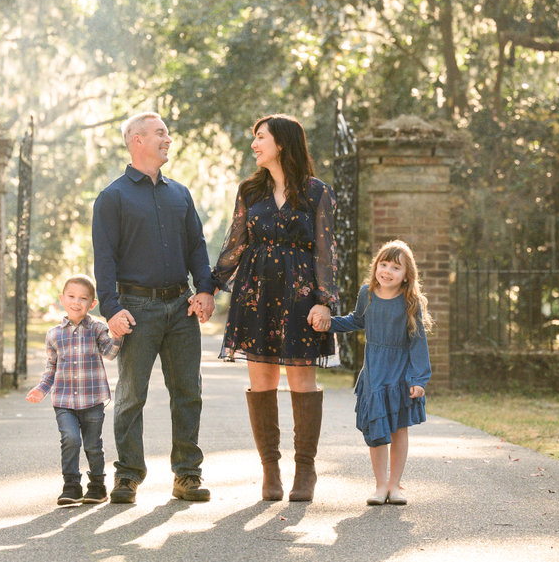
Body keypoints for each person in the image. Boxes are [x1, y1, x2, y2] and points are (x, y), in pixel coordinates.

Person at [213, 113, 339, 502]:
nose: (254, 144)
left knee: (302, 382)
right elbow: (235, 244)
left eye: (260, 137)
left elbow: (326, 253)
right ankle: (270, 471)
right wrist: (210, 286)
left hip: (301, 296)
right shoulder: (250, 191)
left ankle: (306, 470)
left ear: (282, 143)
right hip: (256, 294)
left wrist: (326, 302)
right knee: (262, 382)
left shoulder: (317, 192)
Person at [92, 112, 216, 504]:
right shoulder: (112, 197)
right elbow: (104, 259)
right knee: (131, 395)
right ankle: (127, 476)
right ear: (136, 140)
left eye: (167, 133)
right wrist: (111, 309)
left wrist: (206, 289)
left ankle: (187, 477)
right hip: (135, 309)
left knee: (188, 393)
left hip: (181, 307)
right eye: (160, 133)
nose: (168, 139)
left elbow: (197, 246)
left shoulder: (180, 193)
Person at [312, 239, 431, 505]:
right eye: (383, 264)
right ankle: (379, 486)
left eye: (395, 268)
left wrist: (419, 379)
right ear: (376, 265)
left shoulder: (409, 302)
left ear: (406, 276)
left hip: (400, 375)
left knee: (399, 430)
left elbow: (417, 341)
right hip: (375, 373)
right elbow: (355, 320)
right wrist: (329, 323)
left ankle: (395, 486)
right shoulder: (367, 294)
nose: (387, 271)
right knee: (376, 430)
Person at [26, 274, 122, 506]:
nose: (76, 302)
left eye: (83, 298)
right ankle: (71, 485)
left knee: (92, 445)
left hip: (92, 400)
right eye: (71, 296)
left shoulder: (97, 328)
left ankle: (97, 486)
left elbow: (109, 353)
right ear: (62, 299)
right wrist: (41, 389)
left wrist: (118, 336)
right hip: (64, 401)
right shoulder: (54, 334)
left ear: (92, 304)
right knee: (70, 439)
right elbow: (51, 369)